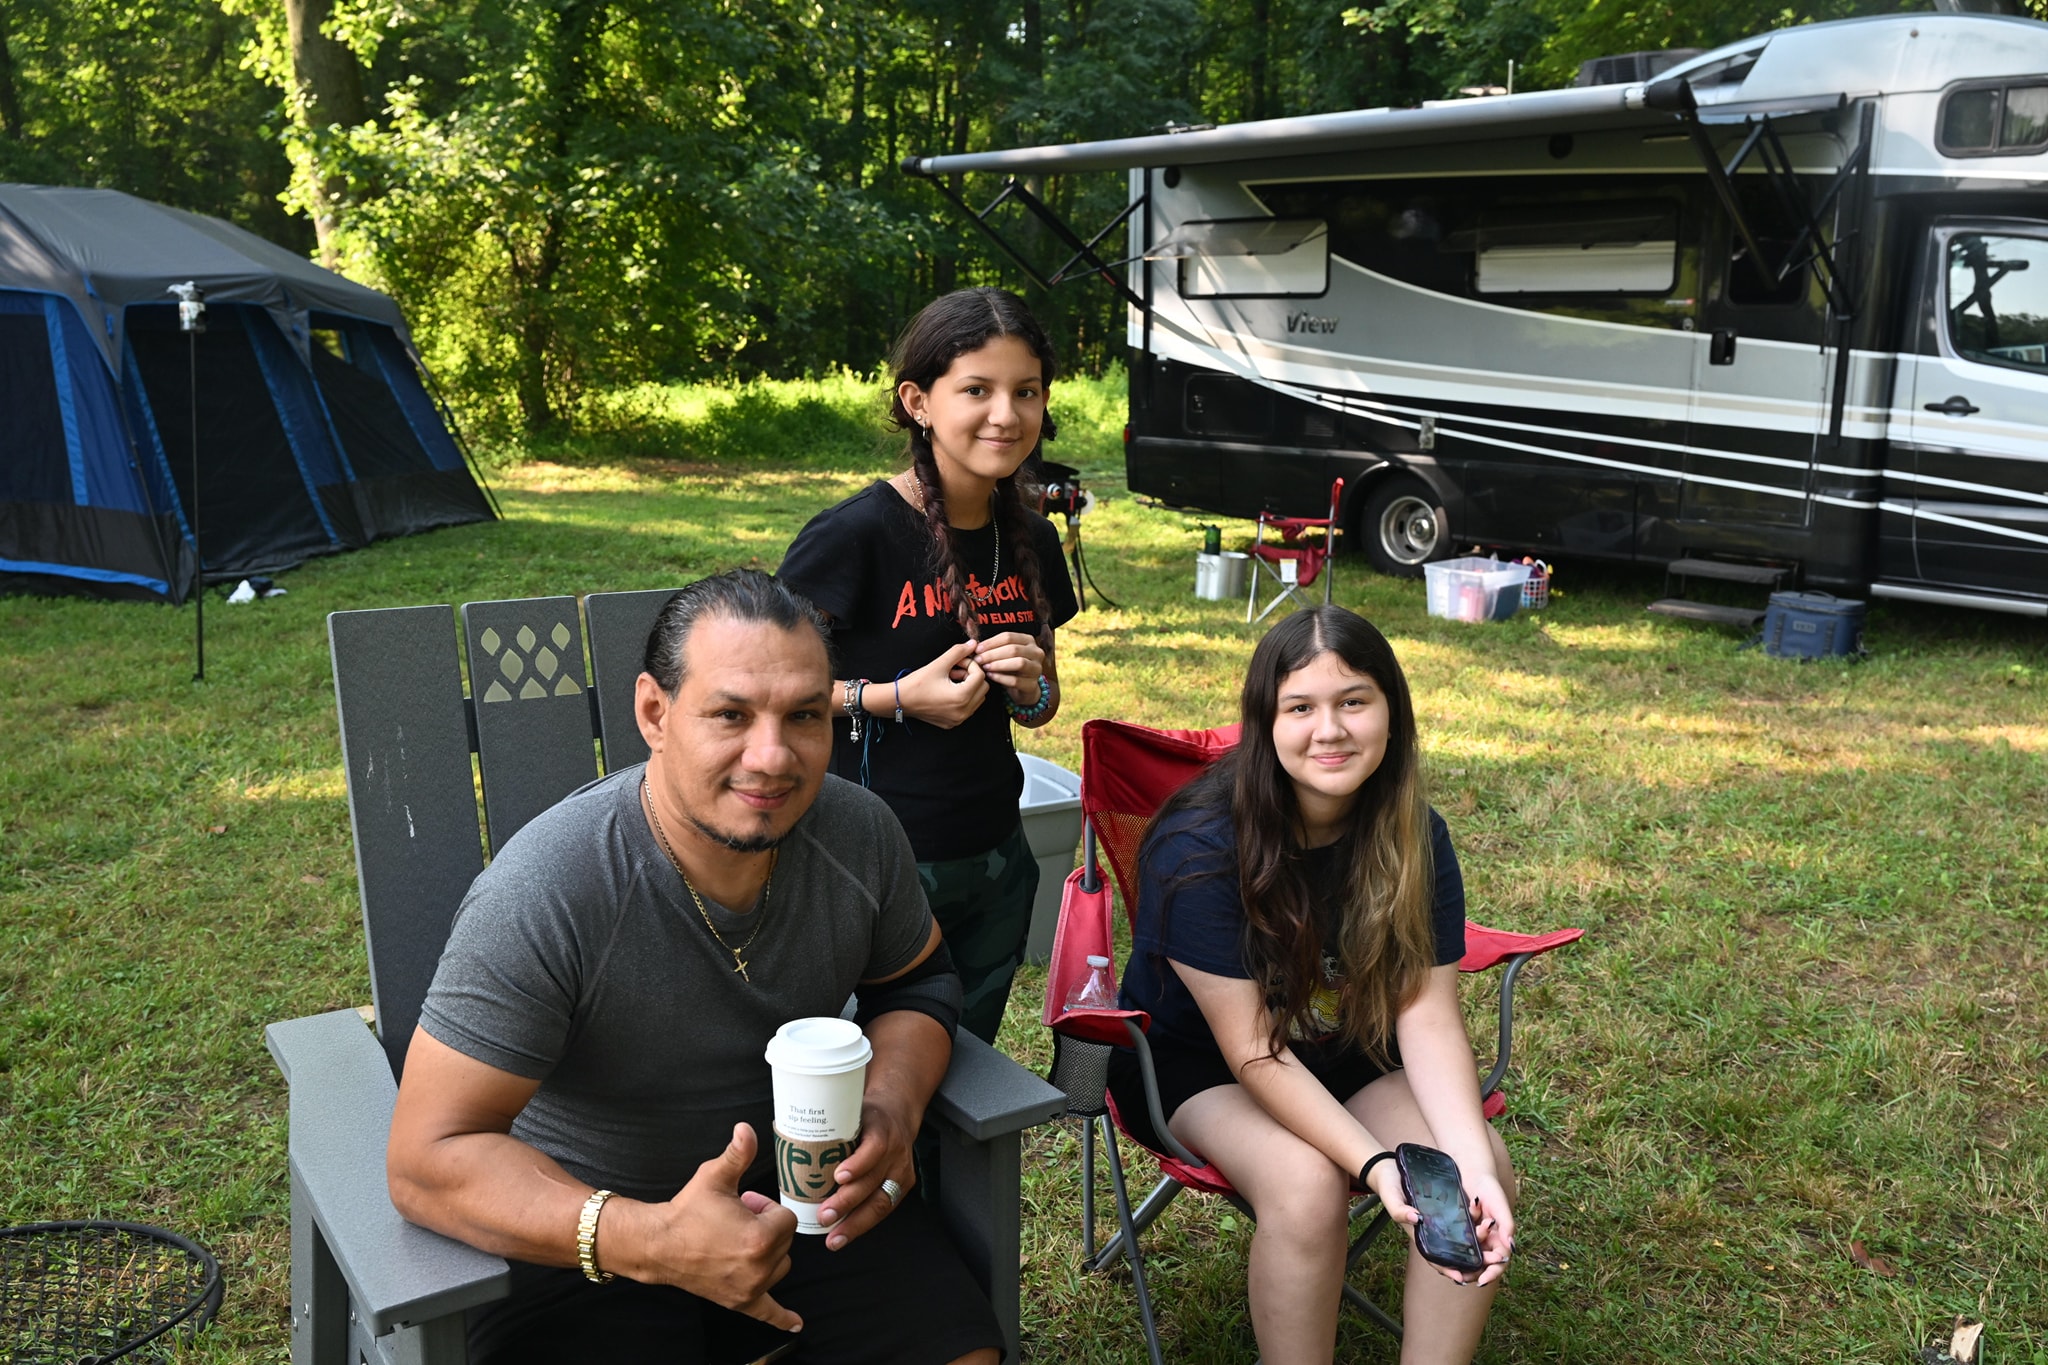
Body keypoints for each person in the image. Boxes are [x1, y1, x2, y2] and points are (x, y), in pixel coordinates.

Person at [385, 569, 1003, 1365]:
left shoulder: (860, 836)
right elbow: (429, 1155)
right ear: (655, 712)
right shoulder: (550, 890)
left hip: (807, 1207)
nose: (773, 756)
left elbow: (916, 981)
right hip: (585, 1241)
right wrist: (650, 1239)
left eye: (805, 716)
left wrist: (889, 1105)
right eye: (731, 714)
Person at [1106, 605, 1514, 1365]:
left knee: (1470, 1169)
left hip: (1346, 1046)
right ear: (1265, 723)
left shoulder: (1413, 835)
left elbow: (1424, 1012)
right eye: (1301, 707)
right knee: (1306, 1187)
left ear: (1392, 712)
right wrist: (1375, 1163)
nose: (1330, 729)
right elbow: (1254, 1050)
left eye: (1353, 700)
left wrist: (1472, 1162)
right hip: (1201, 1066)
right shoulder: (1197, 848)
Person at [778, 287, 1078, 1045]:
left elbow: (1044, 705)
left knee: (962, 1062)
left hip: (996, 856)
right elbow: (770, 695)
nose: (1005, 414)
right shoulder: (856, 536)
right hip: (872, 864)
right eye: (976, 389)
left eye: (1026, 391)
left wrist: (1030, 683)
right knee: (862, 1071)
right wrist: (894, 697)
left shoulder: (1033, 542)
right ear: (918, 401)